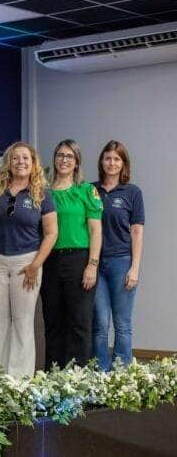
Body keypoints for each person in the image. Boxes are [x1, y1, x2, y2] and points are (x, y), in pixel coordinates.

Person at [0, 142, 57, 377]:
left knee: (23, 323)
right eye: (15, 158)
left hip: (27, 263)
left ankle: (18, 383)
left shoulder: (42, 193)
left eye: (26, 158)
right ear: (8, 162)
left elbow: (51, 233)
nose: (21, 162)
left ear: (33, 162)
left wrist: (35, 265)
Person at [42, 139, 102, 369]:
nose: (64, 160)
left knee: (80, 323)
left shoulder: (87, 190)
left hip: (79, 260)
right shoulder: (43, 192)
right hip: (50, 261)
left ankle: (76, 382)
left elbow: (96, 230)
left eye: (69, 156)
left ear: (77, 162)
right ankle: (53, 380)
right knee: (54, 322)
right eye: (60, 155)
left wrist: (92, 264)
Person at [92, 140, 144, 371]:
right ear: (101, 161)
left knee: (122, 324)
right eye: (107, 158)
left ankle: (121, 375)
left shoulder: (132, 192)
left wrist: (135, 267)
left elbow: (137, 231)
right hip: (94, 264)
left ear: (123, 164)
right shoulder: (90, 190)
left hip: (121, 262)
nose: (111, 163)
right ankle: (100, 374)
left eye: (116, 159)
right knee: (99, 324)